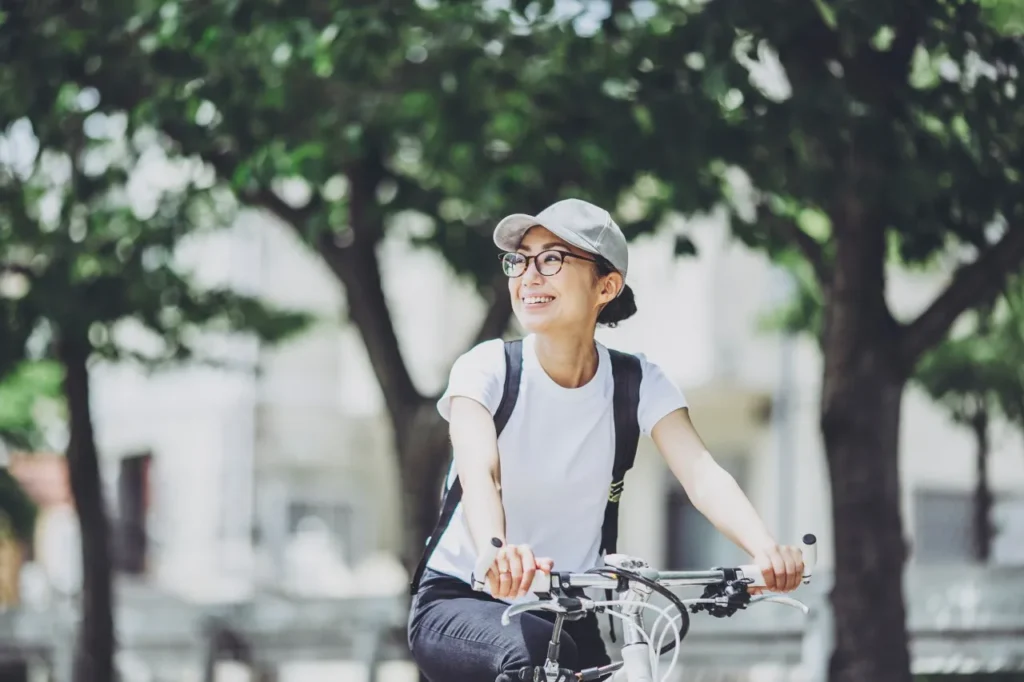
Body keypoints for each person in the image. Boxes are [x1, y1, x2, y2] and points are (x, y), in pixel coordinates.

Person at [407, 198, 805, 682]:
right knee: (526, 660)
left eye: (551, 258)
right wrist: (497, 549)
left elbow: (701, 473)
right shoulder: (488, 368)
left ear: (606, 285)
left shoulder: (638, 382)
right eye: (520, 260)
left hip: (571, 611)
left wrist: (764, 549)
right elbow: (479, 472)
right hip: (462, 603)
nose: (529, 275)